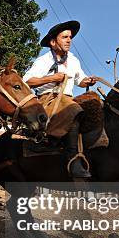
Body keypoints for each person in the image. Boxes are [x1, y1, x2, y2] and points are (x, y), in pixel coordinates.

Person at [23, 20, 100, 178]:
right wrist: (51, 78)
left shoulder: (73, 60)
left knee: (95, 104)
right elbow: (27, 81)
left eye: (70, 37)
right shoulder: (44, 61)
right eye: (64, 37)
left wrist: (88, 81)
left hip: (68, 99)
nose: (69, 40)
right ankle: (73, 160)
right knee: (72, 109)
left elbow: (80, 80)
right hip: (48, 100)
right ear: (53, 42)